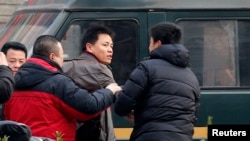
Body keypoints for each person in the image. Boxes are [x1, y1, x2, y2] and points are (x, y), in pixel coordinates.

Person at [3, 35, 121, 141]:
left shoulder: (11, 83)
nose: (62, 62)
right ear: (52, 56)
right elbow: (88, 107)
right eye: (62, 57)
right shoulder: (58, 83)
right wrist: (109, 91)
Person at [114, 22, 200, 141]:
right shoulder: (191, 77)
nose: (149, 47)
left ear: (158, 43)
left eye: (150, 42)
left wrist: (117, 94)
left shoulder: (146, 68)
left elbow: (122, 106)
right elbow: (193, 116)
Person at [63, 25, 116, 141]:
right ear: (89, 47)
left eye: (111, 46)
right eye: (105, 45)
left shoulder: (67, 66)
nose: (110, 49)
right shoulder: (99, 68)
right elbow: (117, 92)